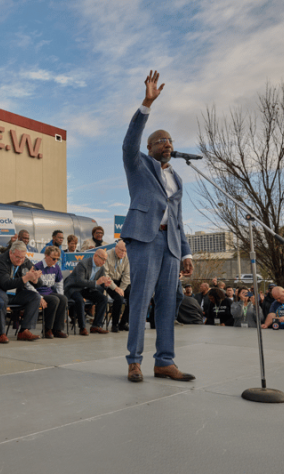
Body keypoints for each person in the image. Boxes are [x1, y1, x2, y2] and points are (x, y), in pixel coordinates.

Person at [120, 70, 195, 383]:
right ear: (150, 146)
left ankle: (164, 362)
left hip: (172, 246)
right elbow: (129, 142)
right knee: (140, 301)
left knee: (168, 302)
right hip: (145, 241)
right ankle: (134, 362)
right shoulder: (138, 165)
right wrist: (146, 104)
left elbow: (177, 218)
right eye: (162, 141)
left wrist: (189, 253)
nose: (168, 144)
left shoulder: (176, 177)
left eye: (170, 141)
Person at [0, 241, 44, 343]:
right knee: (2, 298)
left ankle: (24, 331)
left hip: (15, 293)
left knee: (35, 297)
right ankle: (1, 333)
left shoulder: (25, 261)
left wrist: (35, 279)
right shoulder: (0, 261)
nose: (20, 260)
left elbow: (39, 283)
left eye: (23, 257)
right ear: (11, 253)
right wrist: (26, 278)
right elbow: (6, 284)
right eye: (17, 257)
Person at [64, 249, 112, 335]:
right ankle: (82, 328)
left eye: (105, 260)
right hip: (74, 287)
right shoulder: (83, 264)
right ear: (96, 256)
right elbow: (79, 281)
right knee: (80, 300)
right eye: (102, 259)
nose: (104, 262)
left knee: (103, 298)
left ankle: (96, 326)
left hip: (87, 289)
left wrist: (105, 284)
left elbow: (100, 283)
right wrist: (97, 282)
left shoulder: (101, 268)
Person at [34, 246, 68, 338]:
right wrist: (39, 297)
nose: (55, 261)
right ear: (46, 256)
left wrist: (61, 295)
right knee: (54, 300)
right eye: (53, 258)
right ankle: (47, 329)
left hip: (49, 291)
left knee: (63, 299)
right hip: (39, 292)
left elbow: (59, 282)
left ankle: (57, 329)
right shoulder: (37, 266)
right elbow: (32, 286)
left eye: (57, 259)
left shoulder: (56, 267)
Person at [104, 240, 131, 332]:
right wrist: (115, 288)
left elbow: (127, 275)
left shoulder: (127, 257)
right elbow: (105, 274)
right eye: (121, 250)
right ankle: (114, 324)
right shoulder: (107, 255)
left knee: (134, 295)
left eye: (125, 251)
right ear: (116, 248)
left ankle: (123, 322)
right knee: (118, 298)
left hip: (121, 282)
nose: (123, 253)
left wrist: (122, 289)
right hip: (108, 283)